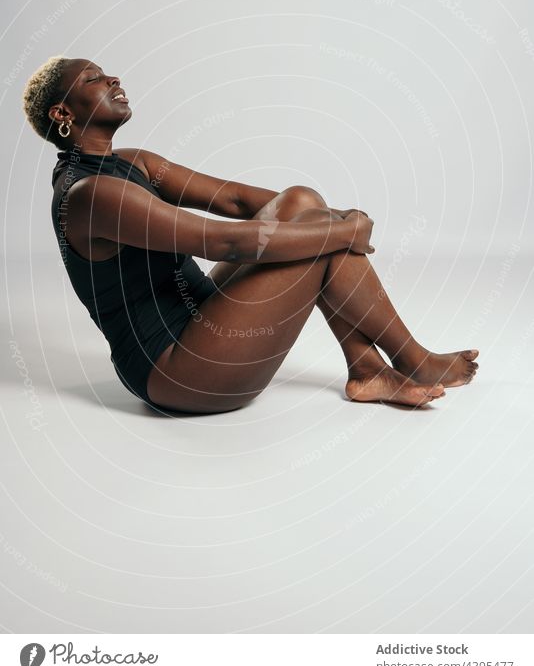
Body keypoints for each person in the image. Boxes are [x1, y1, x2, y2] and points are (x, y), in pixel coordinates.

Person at [22, 56, 479, 414]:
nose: (112, 79)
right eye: (94, 79)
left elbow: (237, 202)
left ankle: (368, 370)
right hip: (176, 369)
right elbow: (227, 241)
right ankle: (410, 359)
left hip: (202, 315)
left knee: (301, 202)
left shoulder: (133, 162)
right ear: (63, 112)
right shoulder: (89, 195)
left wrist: (332, 215)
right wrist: (344, 231)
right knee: (323, 239)